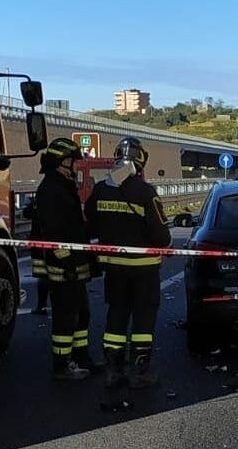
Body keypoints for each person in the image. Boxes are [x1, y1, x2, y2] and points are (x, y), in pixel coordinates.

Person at [85, 137, 172, 390]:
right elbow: (161, 235)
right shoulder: (145, 192)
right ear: (140, 161)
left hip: (114, 268)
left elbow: (90, 222)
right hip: (143, 269)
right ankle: (140, 371)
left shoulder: (101, 190)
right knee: (143, 319)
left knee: (116, 316)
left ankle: (113, 370)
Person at [35, 138, 100, 381]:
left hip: (75, 263)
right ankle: (62, 364)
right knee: (65, 317)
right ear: (62, 162)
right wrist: (67, 263)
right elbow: (53, 234)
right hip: (64, 268)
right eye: (73, 161)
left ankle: (82, 357)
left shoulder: (63, 185)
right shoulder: (51, 190)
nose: (76, 166)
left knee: (82, 313)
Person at [22, 197, 50, 315]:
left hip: (40, 245)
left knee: (43, 277)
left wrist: (33, 204)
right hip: (50, 244)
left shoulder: (42, 199)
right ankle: (45, 305)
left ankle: (42, 306)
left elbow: (27, 213)